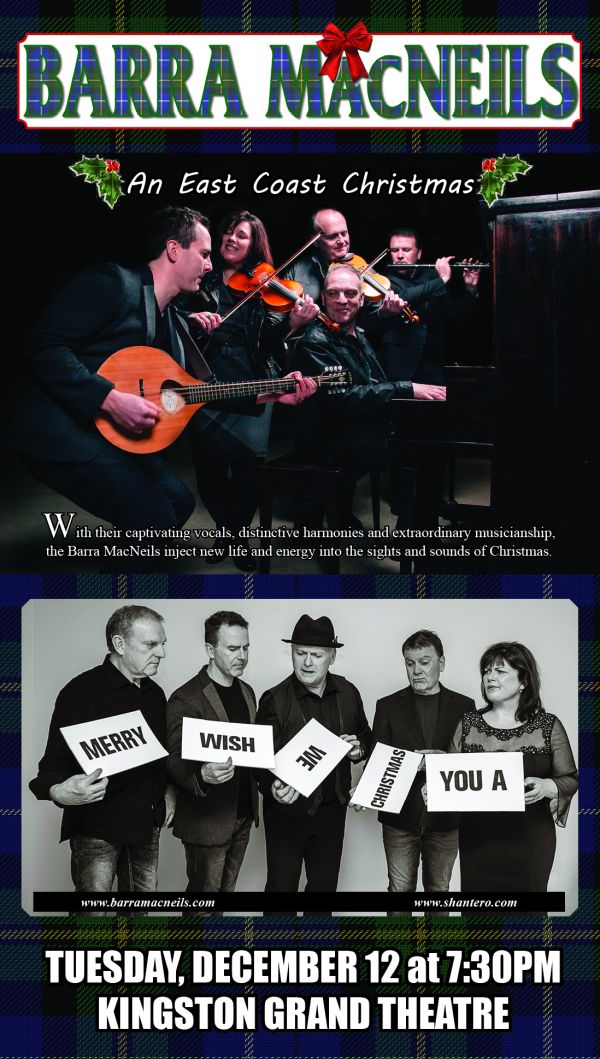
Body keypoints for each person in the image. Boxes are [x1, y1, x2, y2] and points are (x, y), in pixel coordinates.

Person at [14, 206, 314, 531]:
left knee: (180, 504)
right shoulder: (113, 283)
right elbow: (42, 347)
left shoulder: (171, 320)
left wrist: (272, 393)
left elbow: (195, 392)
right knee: (155, 519)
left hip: (109, 436)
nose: (211, 265)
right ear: (174, 250)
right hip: (63, 433)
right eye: (203, 254)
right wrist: (109, 399)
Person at [185, 210, 319, 570]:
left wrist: (293, 321)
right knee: (209, 471)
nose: (231, 238)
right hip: (207, 383)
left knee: (248, 471)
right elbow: (175, 324)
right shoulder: (200, 277)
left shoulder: (265, 286)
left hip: (254, 381)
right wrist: (195, 324)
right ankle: (227, 530)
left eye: (241, 235)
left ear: (254, 244)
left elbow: (269, 341)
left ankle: (235, 534)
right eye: (227, 231)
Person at [29, 605, 175, 894]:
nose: (161, 653)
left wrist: (170, 789)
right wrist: (59, 791)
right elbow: (51, 767)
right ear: (119, 644)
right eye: (151, 644)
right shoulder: (79, 692)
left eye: (162, 644)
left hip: (146, 826)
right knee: (91, 921)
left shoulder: (156, 695)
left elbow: (160, 758)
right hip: (97, 830)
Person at [290, 263, 445, 529]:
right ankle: (411, 536)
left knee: (429, 441)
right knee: (423, 454)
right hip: (332, 440)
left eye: (350, 293)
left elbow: (373, 383)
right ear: (323, 298)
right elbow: (343, 399)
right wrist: (406, 388)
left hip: (356, 430)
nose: (342, 300)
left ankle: (410, 529)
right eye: (333, 293)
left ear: (362, 299)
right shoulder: (314, 341)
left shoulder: (358, 334)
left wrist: (410, 393)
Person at [448, 642, 578, 892]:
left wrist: (546, 786)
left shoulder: (547, 726)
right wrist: (432, 789)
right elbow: (448, 779)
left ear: (523, 681)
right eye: (486, 671)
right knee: (479, 922)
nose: (490, 677)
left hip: (531, 839)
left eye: (500, 671)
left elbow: (570, 779)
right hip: (478, 839)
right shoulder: (468, 725)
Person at [256, 614, 371, 892]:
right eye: (300, 653)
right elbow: (259, 761)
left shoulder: (348, 691)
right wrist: (272, 787)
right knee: (281, 892)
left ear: (331, 657)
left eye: (316, 655)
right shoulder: (274, 699)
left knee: (323, 892)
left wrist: (358, 750)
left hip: (332, 812)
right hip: (287, 814)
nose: (307, 662)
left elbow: (366, 734)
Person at [371, 630, 474, 912]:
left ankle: (437, 954)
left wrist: (440, 761)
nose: (416, 670)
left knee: (439, 892)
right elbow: (376, 761)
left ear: (441, 663)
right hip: (399, 817)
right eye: (409, 662)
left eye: (425, 662)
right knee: (399, 891)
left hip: (446, 819)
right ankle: (397, 952)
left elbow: (473, 762)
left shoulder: (465, 707)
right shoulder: (387, 705)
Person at [166, 611, 259, 895]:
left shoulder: (248, 691)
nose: (241, 655)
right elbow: (172, 759)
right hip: (206, 822)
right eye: (232, 649)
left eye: (245, 647)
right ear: (210, 649)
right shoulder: (186, 697)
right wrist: (201, 774)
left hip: (243, 815)